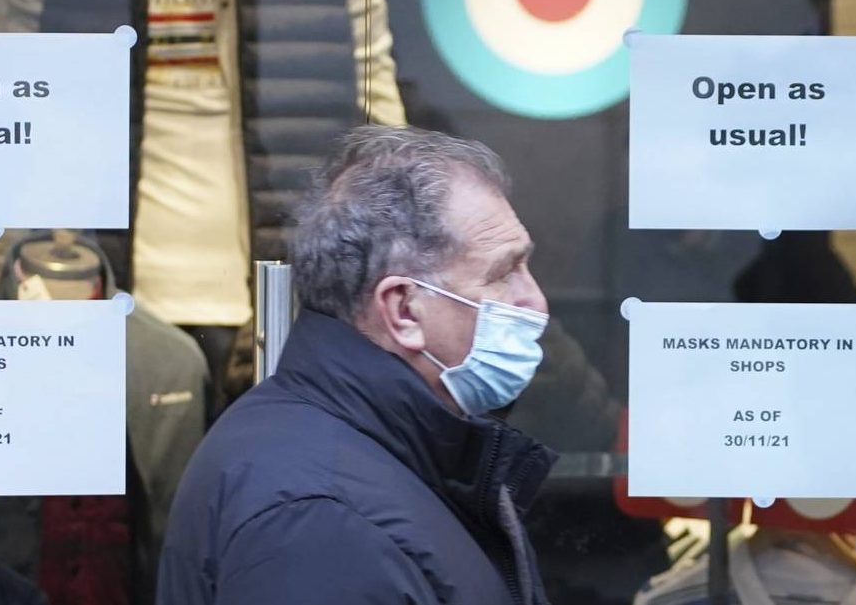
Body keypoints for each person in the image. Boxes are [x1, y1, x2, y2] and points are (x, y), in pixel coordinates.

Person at [157, 125, 558, 604]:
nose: (535, 302)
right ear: (404, 309)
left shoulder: (375, 457)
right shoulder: (317, 521)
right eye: (504, 273)